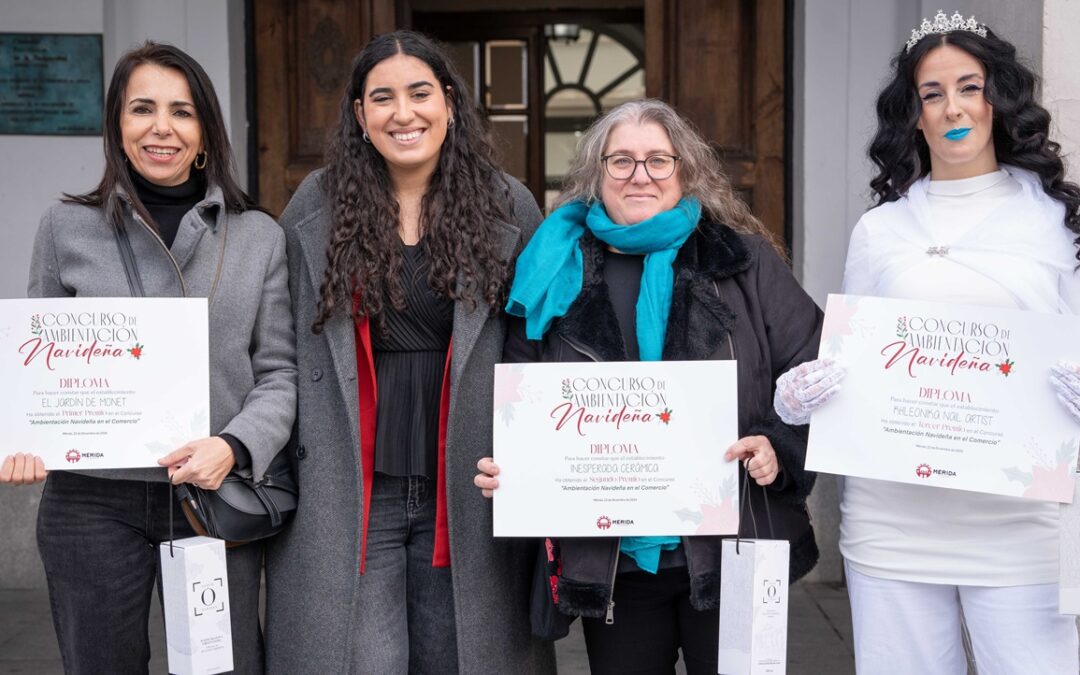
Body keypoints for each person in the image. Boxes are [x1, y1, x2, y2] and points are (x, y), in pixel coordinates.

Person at [775, 12, 1080, 673]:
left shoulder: (1059, 221)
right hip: (894, 520)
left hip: (1022, 521)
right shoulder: (880, 229)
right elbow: (852, 363)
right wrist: (807, 393)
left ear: (998, 98)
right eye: (932, 94)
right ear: (913, 114)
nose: (953, 108)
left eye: (969, 87)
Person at [473, 98, 822, 675]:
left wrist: (776, 443)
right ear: (594, 173)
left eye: (658, 160)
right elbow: (517, 392)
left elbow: (812, 369)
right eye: (622, 161)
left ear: (685, 170)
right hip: (614, 564)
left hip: (736, 542)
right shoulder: (557, 270)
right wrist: (511, 466)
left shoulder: (742, 260)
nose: (640, 174)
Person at [263, 30, 556, 674]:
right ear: (360, 115)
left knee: (455, 657)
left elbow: (538, 345)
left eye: (420, 93)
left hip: (466, 481)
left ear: (449, 103)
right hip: (352, 480)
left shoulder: (508, 204)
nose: (404, 113)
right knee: (362, 660)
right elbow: (280, 340)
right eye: (383, 98)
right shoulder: (317, 203)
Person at [0, 42, 296, 673]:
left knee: (221, 667)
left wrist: (235, 446)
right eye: (142, 109)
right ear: (117, 127)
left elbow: (279, 373)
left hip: (212, 493)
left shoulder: (258, 237)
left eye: (181, 112)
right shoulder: (64, 228)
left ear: (205, 131)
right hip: (88, 503)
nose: (162, 127)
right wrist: (25, 437)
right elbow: (40, 359)